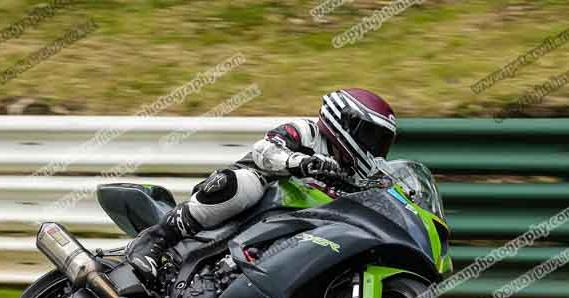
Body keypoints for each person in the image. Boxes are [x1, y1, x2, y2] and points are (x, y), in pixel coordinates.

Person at [125, 88, 398, 283]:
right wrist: (298, 162)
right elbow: (263, 150)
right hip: (259, 203)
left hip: (304, 228)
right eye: (372, 136)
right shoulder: (306, 131)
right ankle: (156, 239)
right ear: (346, 122)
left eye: (382, 142)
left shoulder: (358, 174)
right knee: (246, 184)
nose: (375, 148)